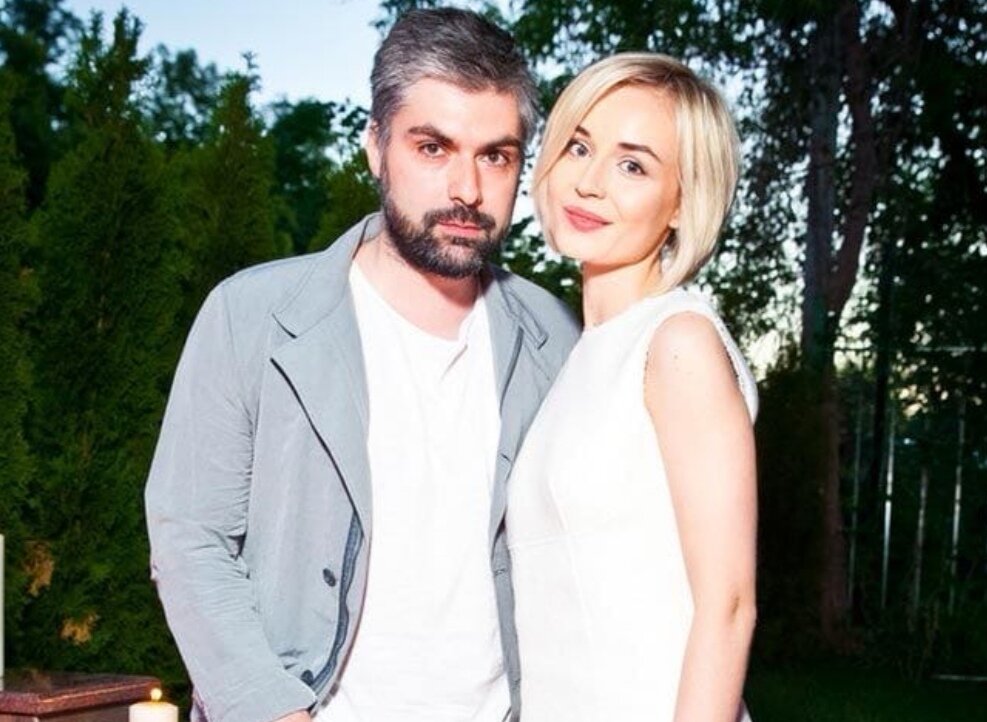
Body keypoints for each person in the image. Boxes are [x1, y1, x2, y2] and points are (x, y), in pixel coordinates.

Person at [144, 9, 578, 722]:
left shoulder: (556, 338)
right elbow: (190, 538)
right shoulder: (251, 317)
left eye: (495, 156)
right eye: (433, 147)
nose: (467, 189)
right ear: (376, 146)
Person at [505, 53, 758, 722]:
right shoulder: (584, 355)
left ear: (683, 202)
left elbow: (729, 607)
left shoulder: (677, 342)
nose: (589, 183)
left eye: (633, 166)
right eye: (580, 147)